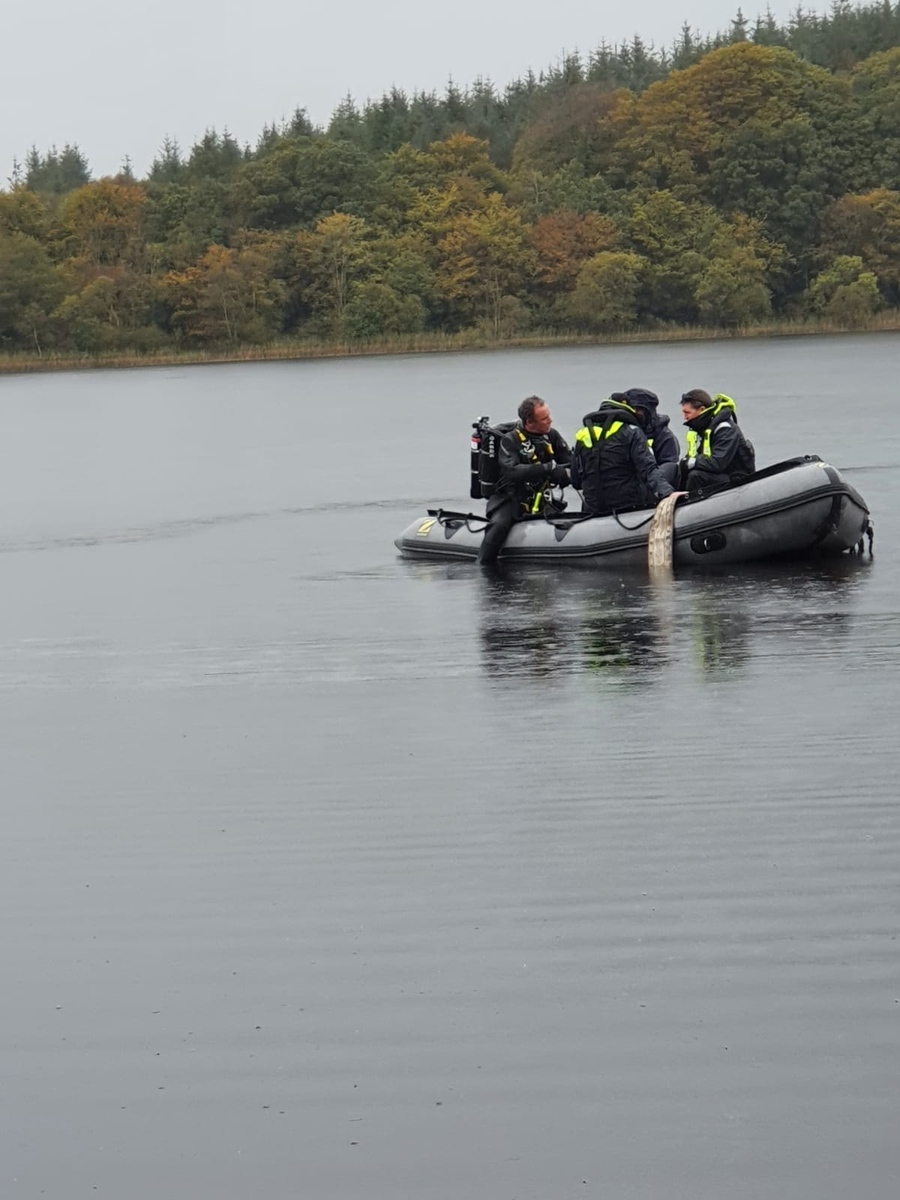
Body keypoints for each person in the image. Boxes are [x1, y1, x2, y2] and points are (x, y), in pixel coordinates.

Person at [477, 396, 571, 565]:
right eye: (544, 418)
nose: (550, 420)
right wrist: (547, 468)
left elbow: (569, 462)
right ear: (530, 422)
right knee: (498, 526)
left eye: (549, 415)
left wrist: (566, 474)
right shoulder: (510, 440)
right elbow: (512, 471)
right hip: (511, 499)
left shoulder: (552, 436)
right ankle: (483, 565)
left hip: (543, 499)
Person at [570, 393, 677, 515]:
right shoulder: (632, 432)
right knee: (670, 469)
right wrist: (668, 493)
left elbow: (576, 480)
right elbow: (648, 470)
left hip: (593, 509)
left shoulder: (583, 435)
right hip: (628, 507)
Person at [679, 390, 755, 494]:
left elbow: (718, 463)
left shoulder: (725, 429)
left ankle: (692, 505)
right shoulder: (706, 428)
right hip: (720, 474)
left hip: (736, 478)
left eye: (687, 413)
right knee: (681, 470)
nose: (684, 417)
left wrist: (693, 462)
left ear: (701, 410)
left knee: (696, 476)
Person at [620, 387, 681, 489]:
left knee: (670, 467)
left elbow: (668, 466)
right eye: (631, 409)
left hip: (653, 483)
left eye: (638, 410)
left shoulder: (664, 435)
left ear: (648, 412)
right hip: (626, 483)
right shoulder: (624, 432)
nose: (634, 413)